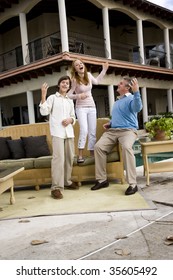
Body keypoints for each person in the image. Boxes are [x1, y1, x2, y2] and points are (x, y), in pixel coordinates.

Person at [91, 76, 143, 195]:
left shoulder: (131, 98)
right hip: (113, 131)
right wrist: (110, 123)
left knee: (126, 147)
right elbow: (120, 117)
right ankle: (102, 180)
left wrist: (136, 92)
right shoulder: (117, 101)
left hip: (128, 131)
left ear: (127, 87)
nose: (118, 85)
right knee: (98, 147)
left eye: (121, 83)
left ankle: (133, 184)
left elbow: (137, 107)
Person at [39, 75, 78, 200]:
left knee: (69, 158)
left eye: (67, 83)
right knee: (58, 160)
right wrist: (43, 95)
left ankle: (67, 181)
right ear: (59, 84)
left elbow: (74, 117)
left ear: (69, 86)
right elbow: (44, 112)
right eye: (63, 82)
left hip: (69, 133)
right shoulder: (52, 98)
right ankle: (56, 188)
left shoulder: (70, 100)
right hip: (57, 133)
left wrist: (71, 119)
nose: (65, 84)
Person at [67, 59, 109, 163]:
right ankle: (80, 155)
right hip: (80, 108)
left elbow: (97, 82)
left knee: (92, 132)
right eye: (77, 65)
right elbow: (69, 95)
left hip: (92, 107)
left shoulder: (89, 75)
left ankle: (92, 154)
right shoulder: (74, 80)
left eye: (81, 63)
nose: (80, 65)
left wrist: (104, 70)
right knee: (84, 130)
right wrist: (79, 96)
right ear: (75, 69)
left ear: (83, 65)